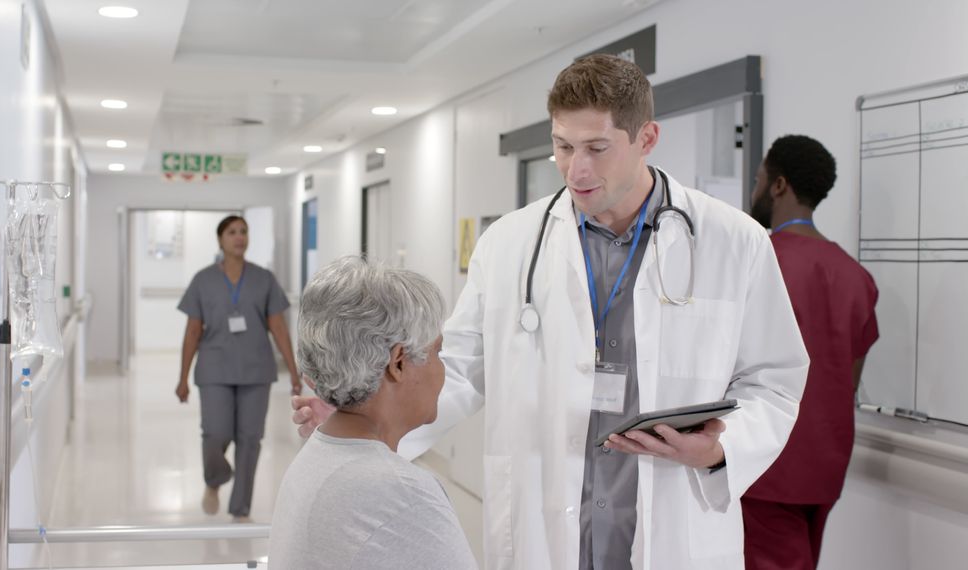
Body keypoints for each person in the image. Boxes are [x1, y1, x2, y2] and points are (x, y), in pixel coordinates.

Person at [294, 54, 809, 569]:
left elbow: (774, 379)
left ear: (646, 139)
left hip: (670, 525)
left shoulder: (733, 240)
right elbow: (460, 369)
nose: (574, 169)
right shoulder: (509, 243)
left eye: (596, 148)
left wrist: (721, 452)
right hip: (546, 528)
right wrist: (364, 415)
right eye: (562, 146)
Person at [269, 257, 477, 570]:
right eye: (437, 352)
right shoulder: (405, 493)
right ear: (398, 362)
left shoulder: (319, 453)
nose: (443, 369)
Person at [744, 135, 879, 570]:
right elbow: (850, 379)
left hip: (767, 465)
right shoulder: (855, 276)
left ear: (779, 185)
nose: (755, 190)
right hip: (825, 465)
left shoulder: (758, 261)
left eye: (760, 179)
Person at [176, 214, 301, 522]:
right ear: (220, 239)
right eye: (232, 232)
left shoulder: (264, 279)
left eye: (243, 231)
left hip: (255, 370)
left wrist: (295, 372)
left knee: (250, 438)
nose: (239, 237)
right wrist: (182, 379)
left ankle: (240, 508)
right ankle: (215, 480)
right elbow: (193, 331)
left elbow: (279, 328)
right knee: (215, 432)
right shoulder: (203, 280)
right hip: (214, 369)